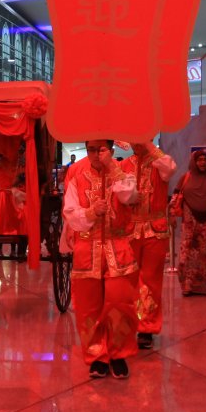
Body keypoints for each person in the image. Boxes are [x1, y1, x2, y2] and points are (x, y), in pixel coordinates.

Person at [63, 139, 140, 379]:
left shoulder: (123, 173)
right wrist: (91, 212)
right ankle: (97, 355)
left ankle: (118, 354)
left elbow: (131, 197)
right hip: (87, 249)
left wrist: (113, 168)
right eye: (91, 150)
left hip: (118, 247)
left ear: (111, 149)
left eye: (102, 149)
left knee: (120, 303)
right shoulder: (77, 177)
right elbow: (70, 213)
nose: (96, 154)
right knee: (88, 307)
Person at [120, 140, 177, 348]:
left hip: (155, 230)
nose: (136, 143)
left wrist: (149, 146)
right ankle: (128, 322)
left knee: (151, 281)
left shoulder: (160, 162)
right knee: (128, 280)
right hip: (129, 230)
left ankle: (147, 327)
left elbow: (170, 168)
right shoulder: (123, 165)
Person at [171, 151, 206, 296]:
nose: (202, 162)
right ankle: (188, 286)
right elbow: (175, 197)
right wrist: (171, 215)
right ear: (194, 162)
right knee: (188, 255)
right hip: (190, 224)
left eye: (205, 160)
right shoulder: (185, 178)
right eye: (199, 160)